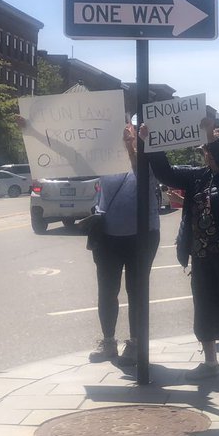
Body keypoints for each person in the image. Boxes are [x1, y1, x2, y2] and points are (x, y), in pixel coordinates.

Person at [145, 116, 219, 385]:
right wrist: (151, 142)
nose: (205, 155)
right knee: (204, 309)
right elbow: (167, 174)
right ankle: (210, 363)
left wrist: (211, 136)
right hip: (202, 256)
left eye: (208, 150)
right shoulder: (199, 177)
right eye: (205, 150)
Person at [87, 123, 161, 366]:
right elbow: (69, 158)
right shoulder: (105, 163)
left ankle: (135, 342)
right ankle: (108, 341)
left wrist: (131, 146)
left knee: (137, 291)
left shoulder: (146, 162)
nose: (124, 134)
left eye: (129, 130)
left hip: (142, 236)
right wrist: (32, 131)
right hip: (108, 237)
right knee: (106, 291)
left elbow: (139, 170)